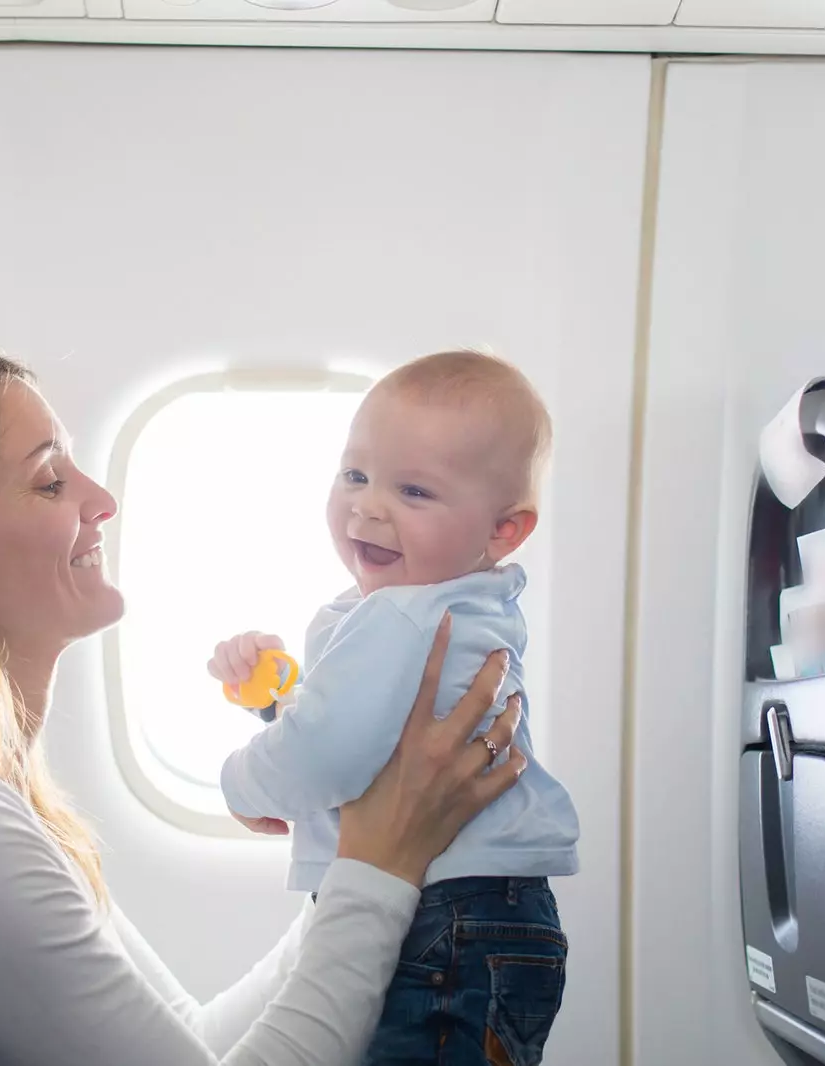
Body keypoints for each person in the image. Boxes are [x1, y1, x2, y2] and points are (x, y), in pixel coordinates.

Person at [0, 346, 529, 1066]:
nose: (101, 499)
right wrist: (378, 861)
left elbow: (193, 1041)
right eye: (50, 481)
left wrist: (375, 845)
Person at [208, 350, 580, 1066]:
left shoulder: (402, 618)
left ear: (504, 530)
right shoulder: (455, 605)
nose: (367, 505)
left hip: (441, 923)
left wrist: (241, 783)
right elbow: (368, 732)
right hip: (487, 920)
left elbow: (330, 754)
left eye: (413, 491)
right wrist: (277, 699)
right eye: (355, 474)